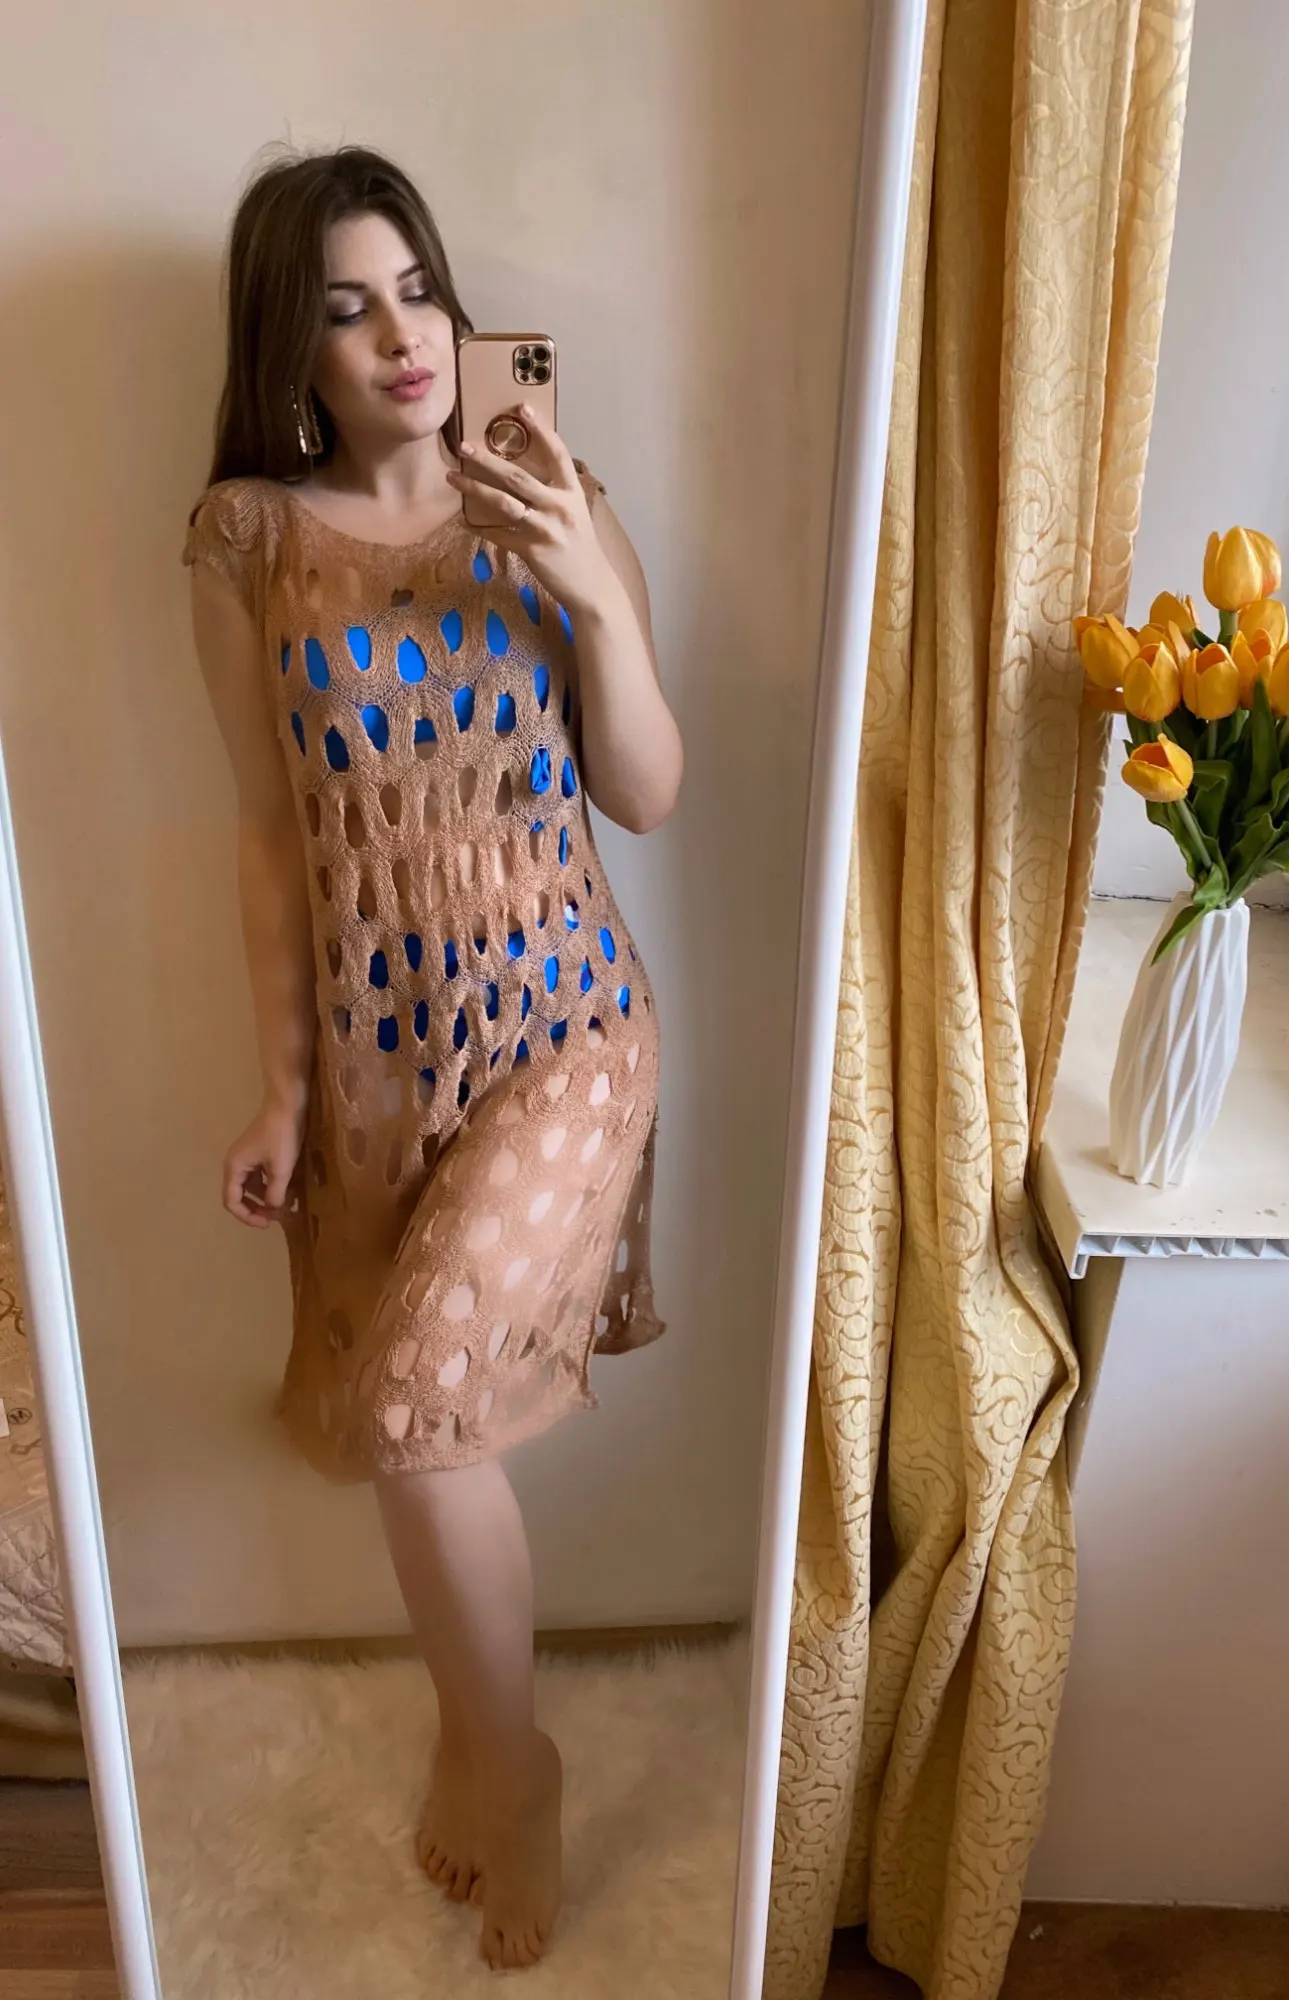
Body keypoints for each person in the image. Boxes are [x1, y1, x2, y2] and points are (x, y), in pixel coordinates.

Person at [182, 144, 682, 1973]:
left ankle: (512, 1765)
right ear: (289, 349)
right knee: (417, 1442)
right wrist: (283, 1089)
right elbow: (267, 834)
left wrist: (591, 587)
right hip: (381, 1071)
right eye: (345, 308)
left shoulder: (554, 498)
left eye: (418, 291)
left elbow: (648, 791)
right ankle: (484, 1739)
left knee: (412, 1409)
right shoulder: (248, 542)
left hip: (571, 1037)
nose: (399, 335)